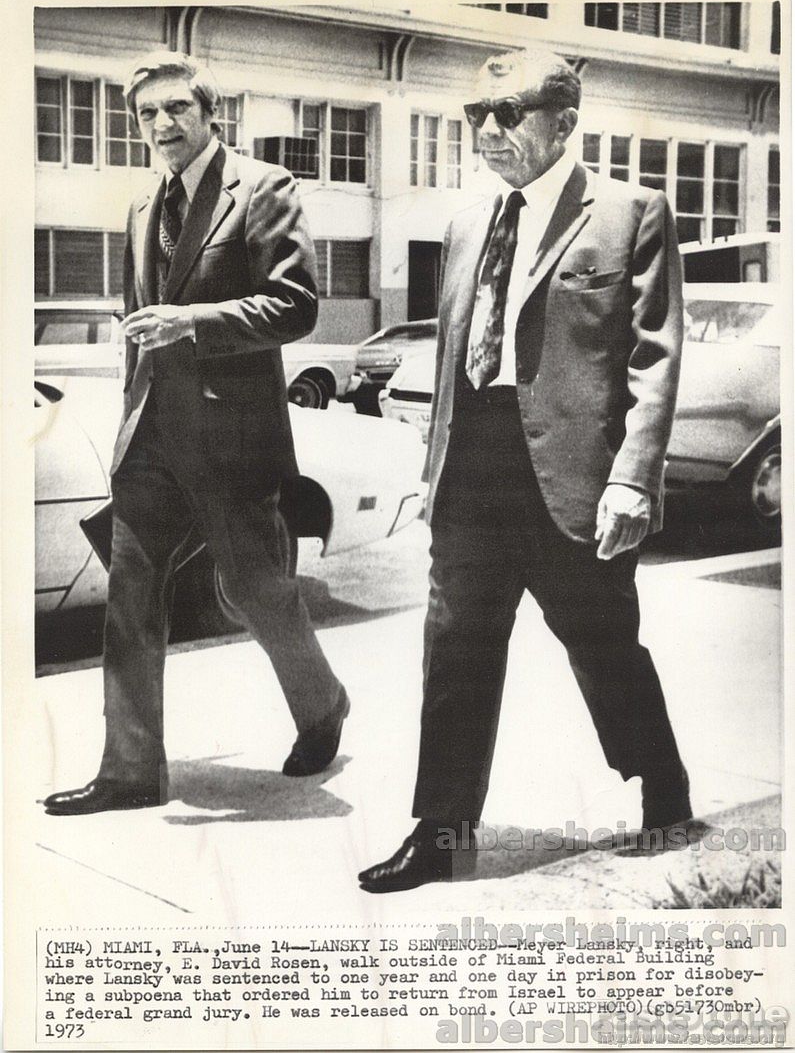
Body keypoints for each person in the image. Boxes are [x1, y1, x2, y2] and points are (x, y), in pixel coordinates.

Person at [359, 48, 692, 893]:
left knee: (602, 643)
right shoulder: (467, 223)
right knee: (455, 648)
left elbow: (653, 360)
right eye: (476, 114)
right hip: (472, 468)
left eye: (507, 114)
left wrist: (632, 477)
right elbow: (450, 357)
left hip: (574, 475)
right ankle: (441, 832)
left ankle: (662, 783)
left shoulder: (629, 213)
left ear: (564, 123)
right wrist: (432, 468)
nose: (487, 130)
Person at [44, 51, 348, 816]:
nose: (162, 123)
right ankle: (129, 771)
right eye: (147, 113)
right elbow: (135, 321)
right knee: (130, 600)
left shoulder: (263, 188)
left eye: (177, 107)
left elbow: (296, 305)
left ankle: (322, 706)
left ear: (211, 113)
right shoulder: (142, 205)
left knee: (255, 591)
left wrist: (192, 321)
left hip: (231, 438)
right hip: (150, 438)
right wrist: (128, 420)